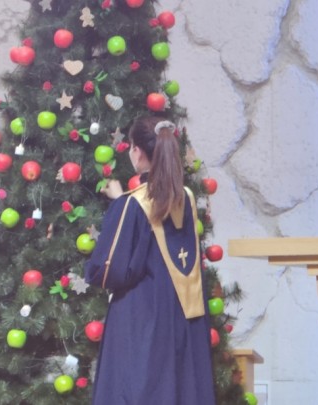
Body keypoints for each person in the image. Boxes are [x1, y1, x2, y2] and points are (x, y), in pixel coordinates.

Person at [84, 116, 216, 405]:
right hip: (184, 315)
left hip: (143, 318)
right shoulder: (186, 197)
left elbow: (108, 271)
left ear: (137, 151)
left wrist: (120, 203)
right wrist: (123, 201)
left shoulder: (133, 203)